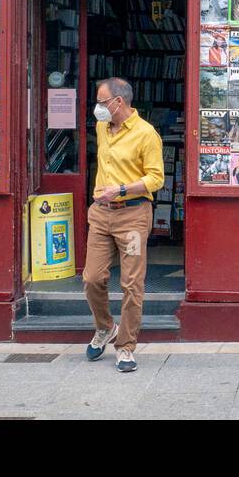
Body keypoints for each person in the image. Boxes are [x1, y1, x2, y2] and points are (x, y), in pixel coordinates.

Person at [84, 77, 164, 373]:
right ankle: (106, 327)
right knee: (92, 277)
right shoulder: (102, 128)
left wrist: (118, 190)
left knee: (131, 283)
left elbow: (156, 178)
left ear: (119, 102)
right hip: (101, 215)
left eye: (102, 102)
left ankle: (126, 346)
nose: (98, 108)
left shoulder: (146, 134)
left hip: (132, 215)